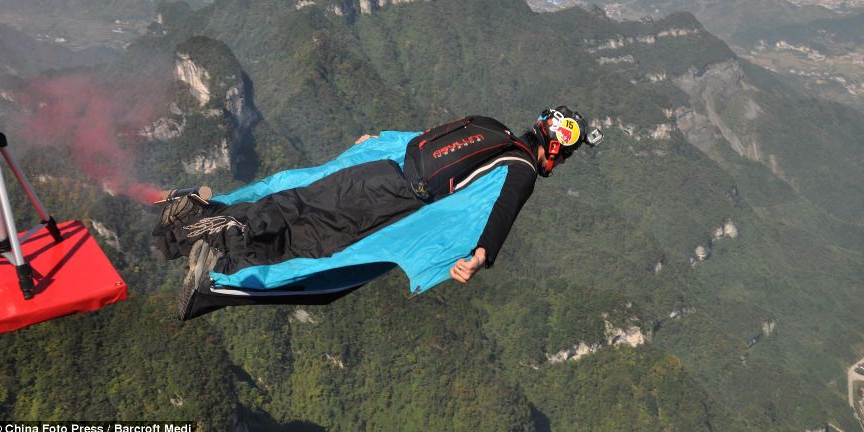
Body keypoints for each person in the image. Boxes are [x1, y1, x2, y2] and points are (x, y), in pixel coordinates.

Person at [153, 106, 602, 320]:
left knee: (295, 199)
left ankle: (189, 221)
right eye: (566, 156)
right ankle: (214, 280)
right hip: (390, 200)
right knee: (317, 255)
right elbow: (501, 212)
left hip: (378, 168)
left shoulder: (491, 127)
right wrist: (481, 255)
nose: (559, 165)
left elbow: (423, 137)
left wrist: (378, 136)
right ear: (556, 149)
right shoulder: (521, 168)